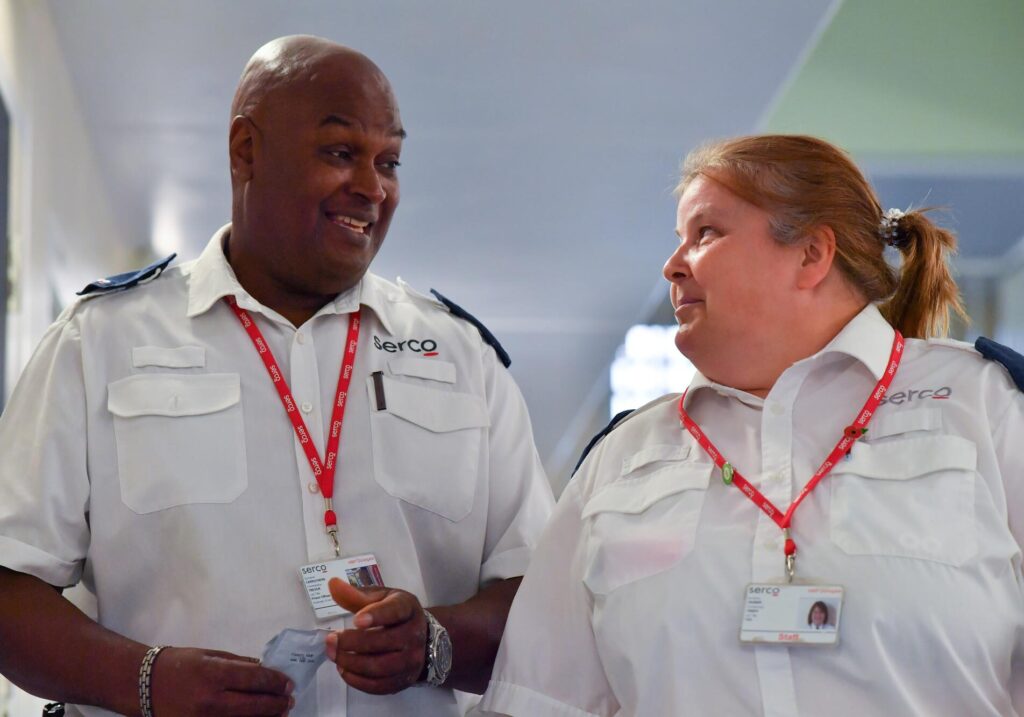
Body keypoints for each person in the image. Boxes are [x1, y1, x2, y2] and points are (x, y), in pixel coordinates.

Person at [0, 36, 554, 716]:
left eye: (388, 161)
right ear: (246, 151)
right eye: (340, 152)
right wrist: (145, 680)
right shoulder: (100, 343)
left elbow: (543, 603)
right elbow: (9, 585)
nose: (373, 188)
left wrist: (433, 643)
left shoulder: (462, 359)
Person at [477, 135, 1024, 716]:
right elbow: (538, 701)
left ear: (811, 254)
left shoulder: (984, 404)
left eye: (706, 233)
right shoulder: (623, 457)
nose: (672, 265)